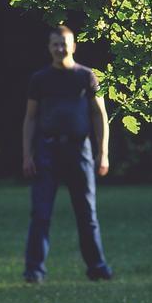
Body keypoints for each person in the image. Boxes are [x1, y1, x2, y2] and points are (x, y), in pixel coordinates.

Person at [21, 25, 115, 283]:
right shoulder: (40, 79)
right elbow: (30, 118)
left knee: (87, 214)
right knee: (40, 214)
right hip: (47, 150)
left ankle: (97, 267)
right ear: (49, 48)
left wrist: (103, 152)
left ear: (74, 45)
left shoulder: (87, 76)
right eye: (55, 44)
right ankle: (34, 270)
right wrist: (27, 155)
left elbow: (100, 115)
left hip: (79, 150)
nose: (60, 48)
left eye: (64, 43)